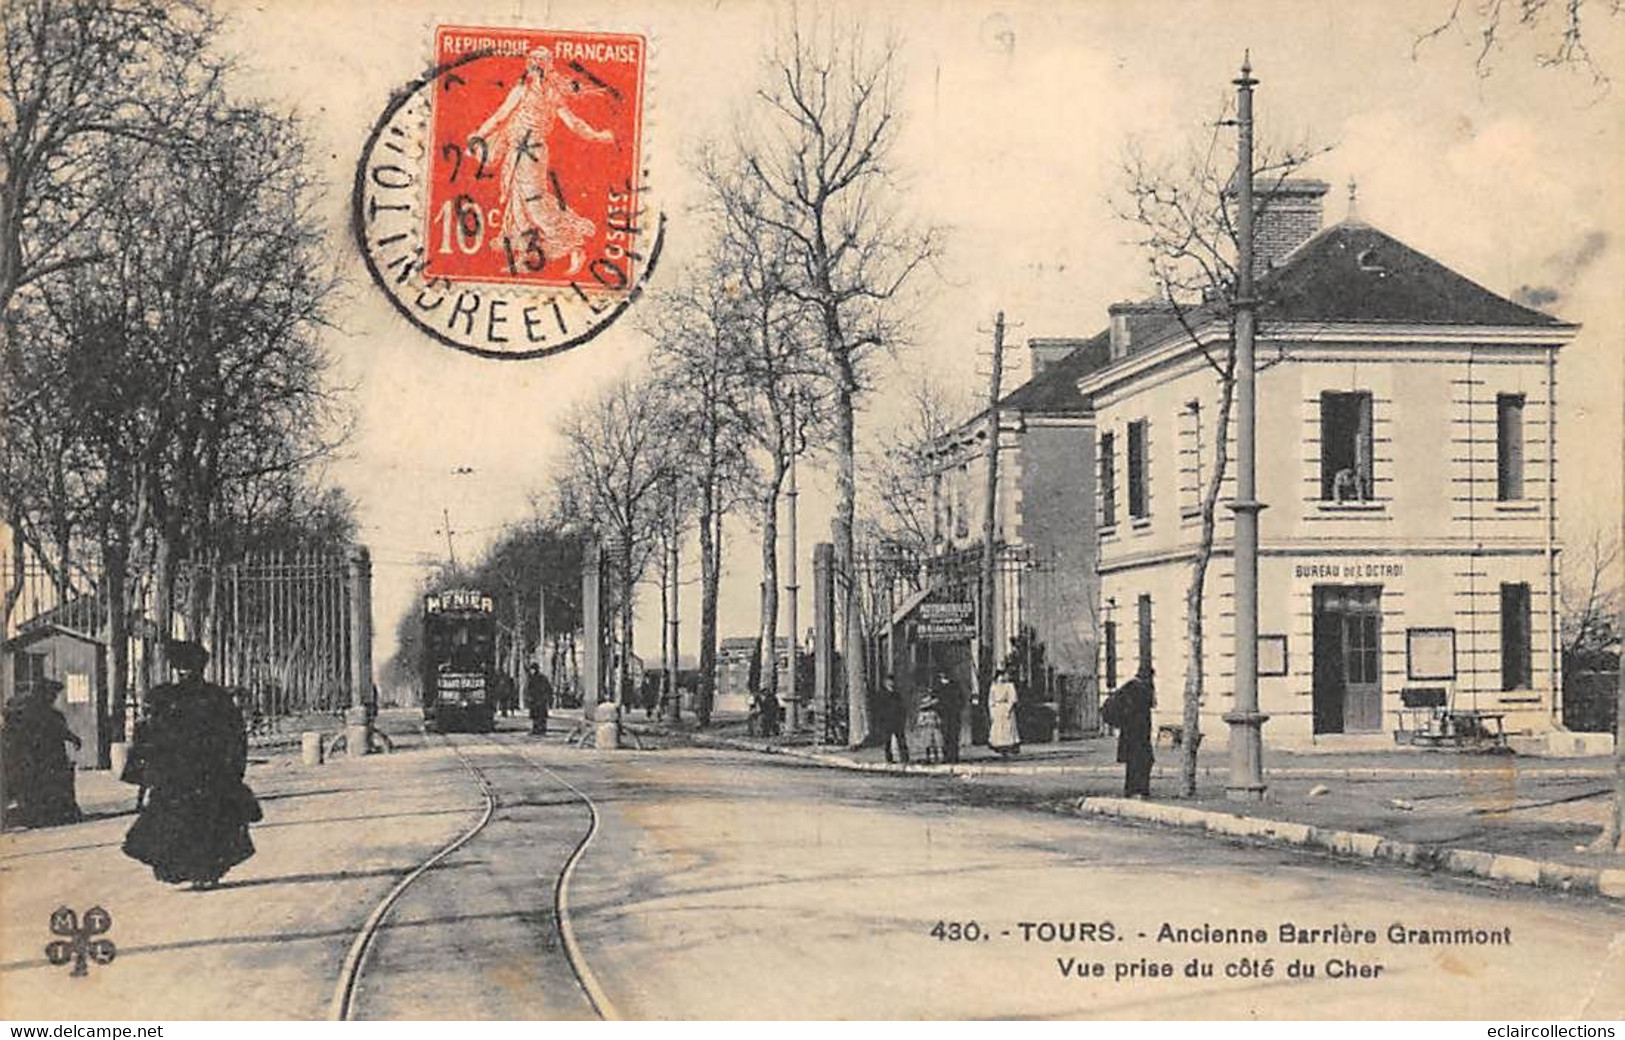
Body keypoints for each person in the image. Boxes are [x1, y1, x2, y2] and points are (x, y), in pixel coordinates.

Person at [122, 641, 259, 890]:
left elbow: (146, 736)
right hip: (207, 774)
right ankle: (204, 871)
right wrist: (235, 769)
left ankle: (190, 870)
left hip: (177, 775)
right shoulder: (217, 697)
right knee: (207, 821)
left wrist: (145, 774)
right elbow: (236, 737)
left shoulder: (163, 697)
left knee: (183, 821)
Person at [472, 46, 617, 277]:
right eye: (533, 63)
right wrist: (480, 135)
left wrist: (598, 136)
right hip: (516, 153)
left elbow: (574, 123)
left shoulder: (551, 93)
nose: (534, 68)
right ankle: (525, 257)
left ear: (544, 67)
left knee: (534, 203)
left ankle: (573, 244)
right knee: (518, 205)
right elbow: (501, 116)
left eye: (538, 63)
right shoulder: (524, 89)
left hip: (532, 154)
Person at [1, 679, 83, 828]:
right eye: (53, 694)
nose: (54, 698)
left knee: (34, 788)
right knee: (52, 785)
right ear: (46, 694)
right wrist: (74, 739)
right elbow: (60, 730)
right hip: (47, 758)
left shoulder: (23, 709)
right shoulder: (48, 712)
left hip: (29, 759)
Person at [1102, 664, 1155, 798]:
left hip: (1131, 732)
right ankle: (1139, 789)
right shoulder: (1140, 689)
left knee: (1136, 762)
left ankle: (1133, 789)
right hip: (1137, 732)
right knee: (1142, 761)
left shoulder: (1130, 686)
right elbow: (1142, 709)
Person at [932, 668, 964, 764]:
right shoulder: (937, 687)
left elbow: (961, 699)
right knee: (945, 736)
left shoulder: (955, 686)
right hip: (944, 715)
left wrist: (957, 708)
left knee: (953, 736)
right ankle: (947, 756)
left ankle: (954, 756)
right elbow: (935, 700)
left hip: (954, 714)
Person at [875, 676, 909, 765]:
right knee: (887, 741)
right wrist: (881, 721)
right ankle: (889, 759)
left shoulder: (897, 695)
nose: (891, 684)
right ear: (885, 683)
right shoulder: (881, 694)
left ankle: (905, 758)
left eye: (892, 682)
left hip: (897, 721)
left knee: (901, 740)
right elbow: (878, 709)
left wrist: (902, 718)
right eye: (889, 682)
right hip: (887, 721)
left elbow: (902, 707)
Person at [988, 668, 1021, 757]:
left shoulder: (1009, 686)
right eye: (999, 676)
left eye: (1003, 676)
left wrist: (1009, 708)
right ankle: (998, 746)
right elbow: (991, 700)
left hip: (1006, 707)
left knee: (1008, 727)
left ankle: (1010, 745)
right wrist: (992, 710)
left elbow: (1012, 699)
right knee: (998, 728)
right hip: (998, 708)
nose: (1001, 678)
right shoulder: (994, 687)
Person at [523, 662, 553, 736]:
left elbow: (547, 689)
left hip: (538, 699)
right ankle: (537, 728)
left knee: (539, 715)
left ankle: (540, 729)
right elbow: (528, 689)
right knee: (537, 715)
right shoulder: (534, 678)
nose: (532, 671)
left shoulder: (535, 678)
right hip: (537, 700)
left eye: (533, 669)